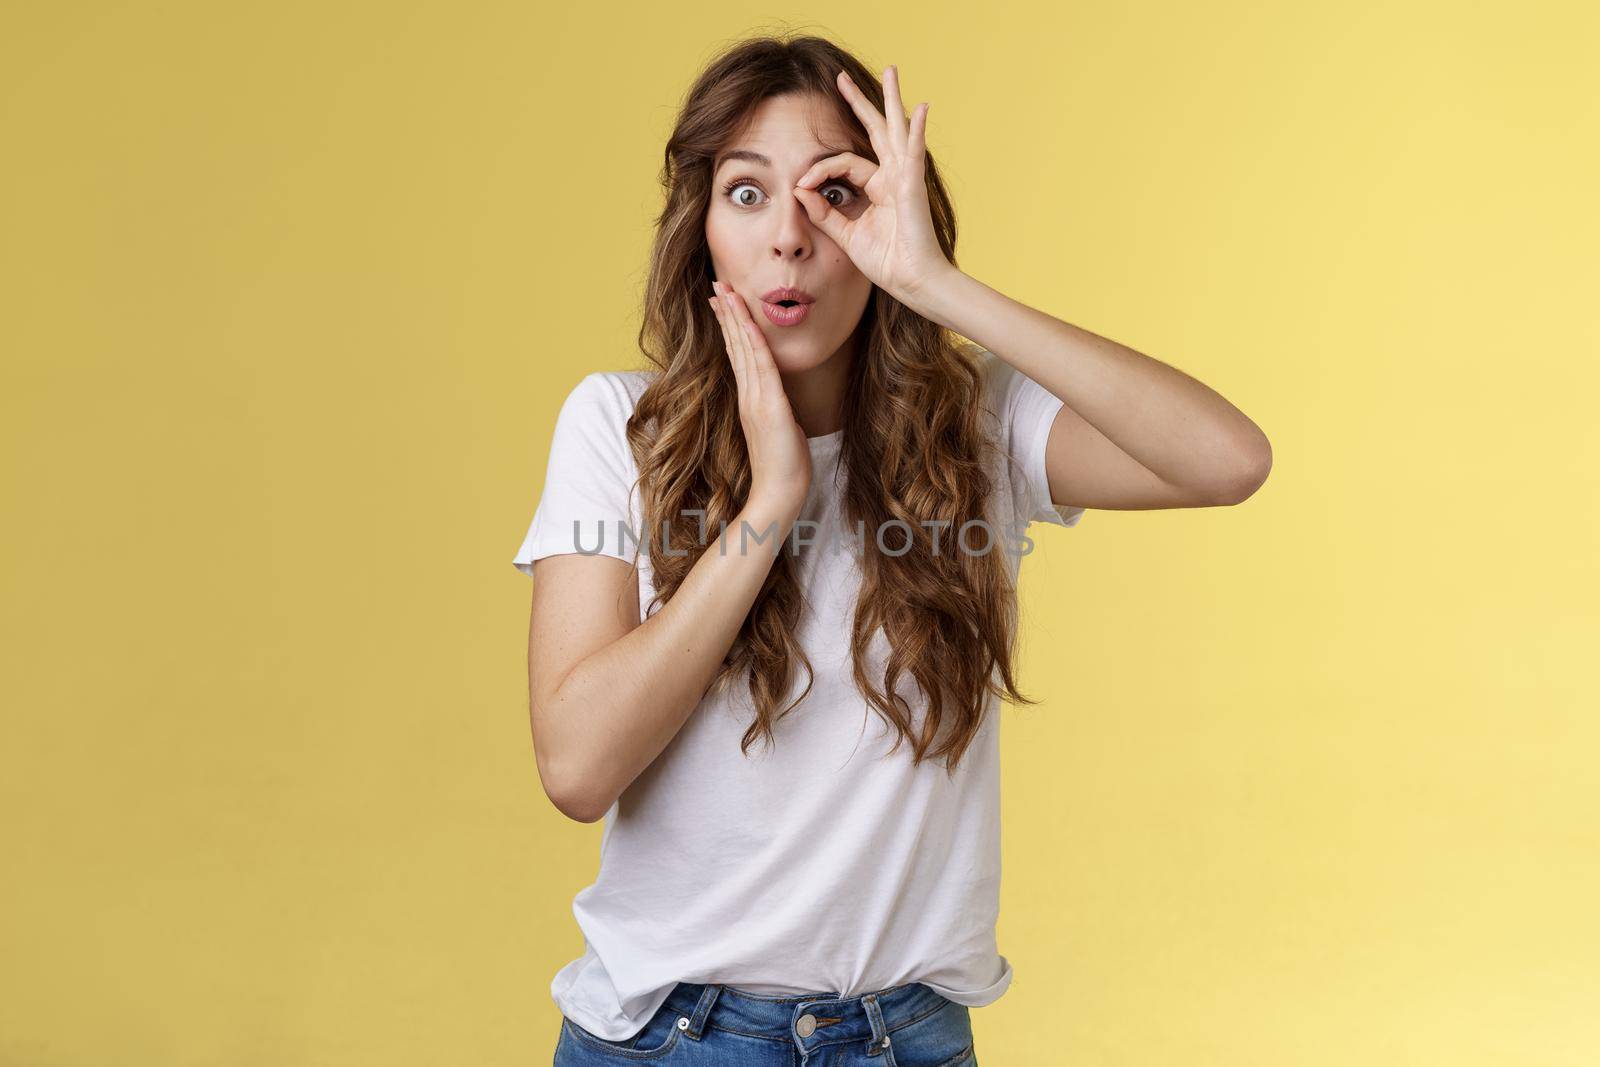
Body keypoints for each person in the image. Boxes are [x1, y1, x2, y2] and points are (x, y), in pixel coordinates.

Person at [513, 34, 1271, 1066]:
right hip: (668, 1040)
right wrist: (770, 502)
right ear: (700, 232)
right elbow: (577, 764)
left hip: (903, 1040)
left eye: (832, 194)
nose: (788, 237)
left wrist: (936, 285)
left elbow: (1226, 458)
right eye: (745, 193)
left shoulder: (978, 429)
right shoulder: (619, 426)